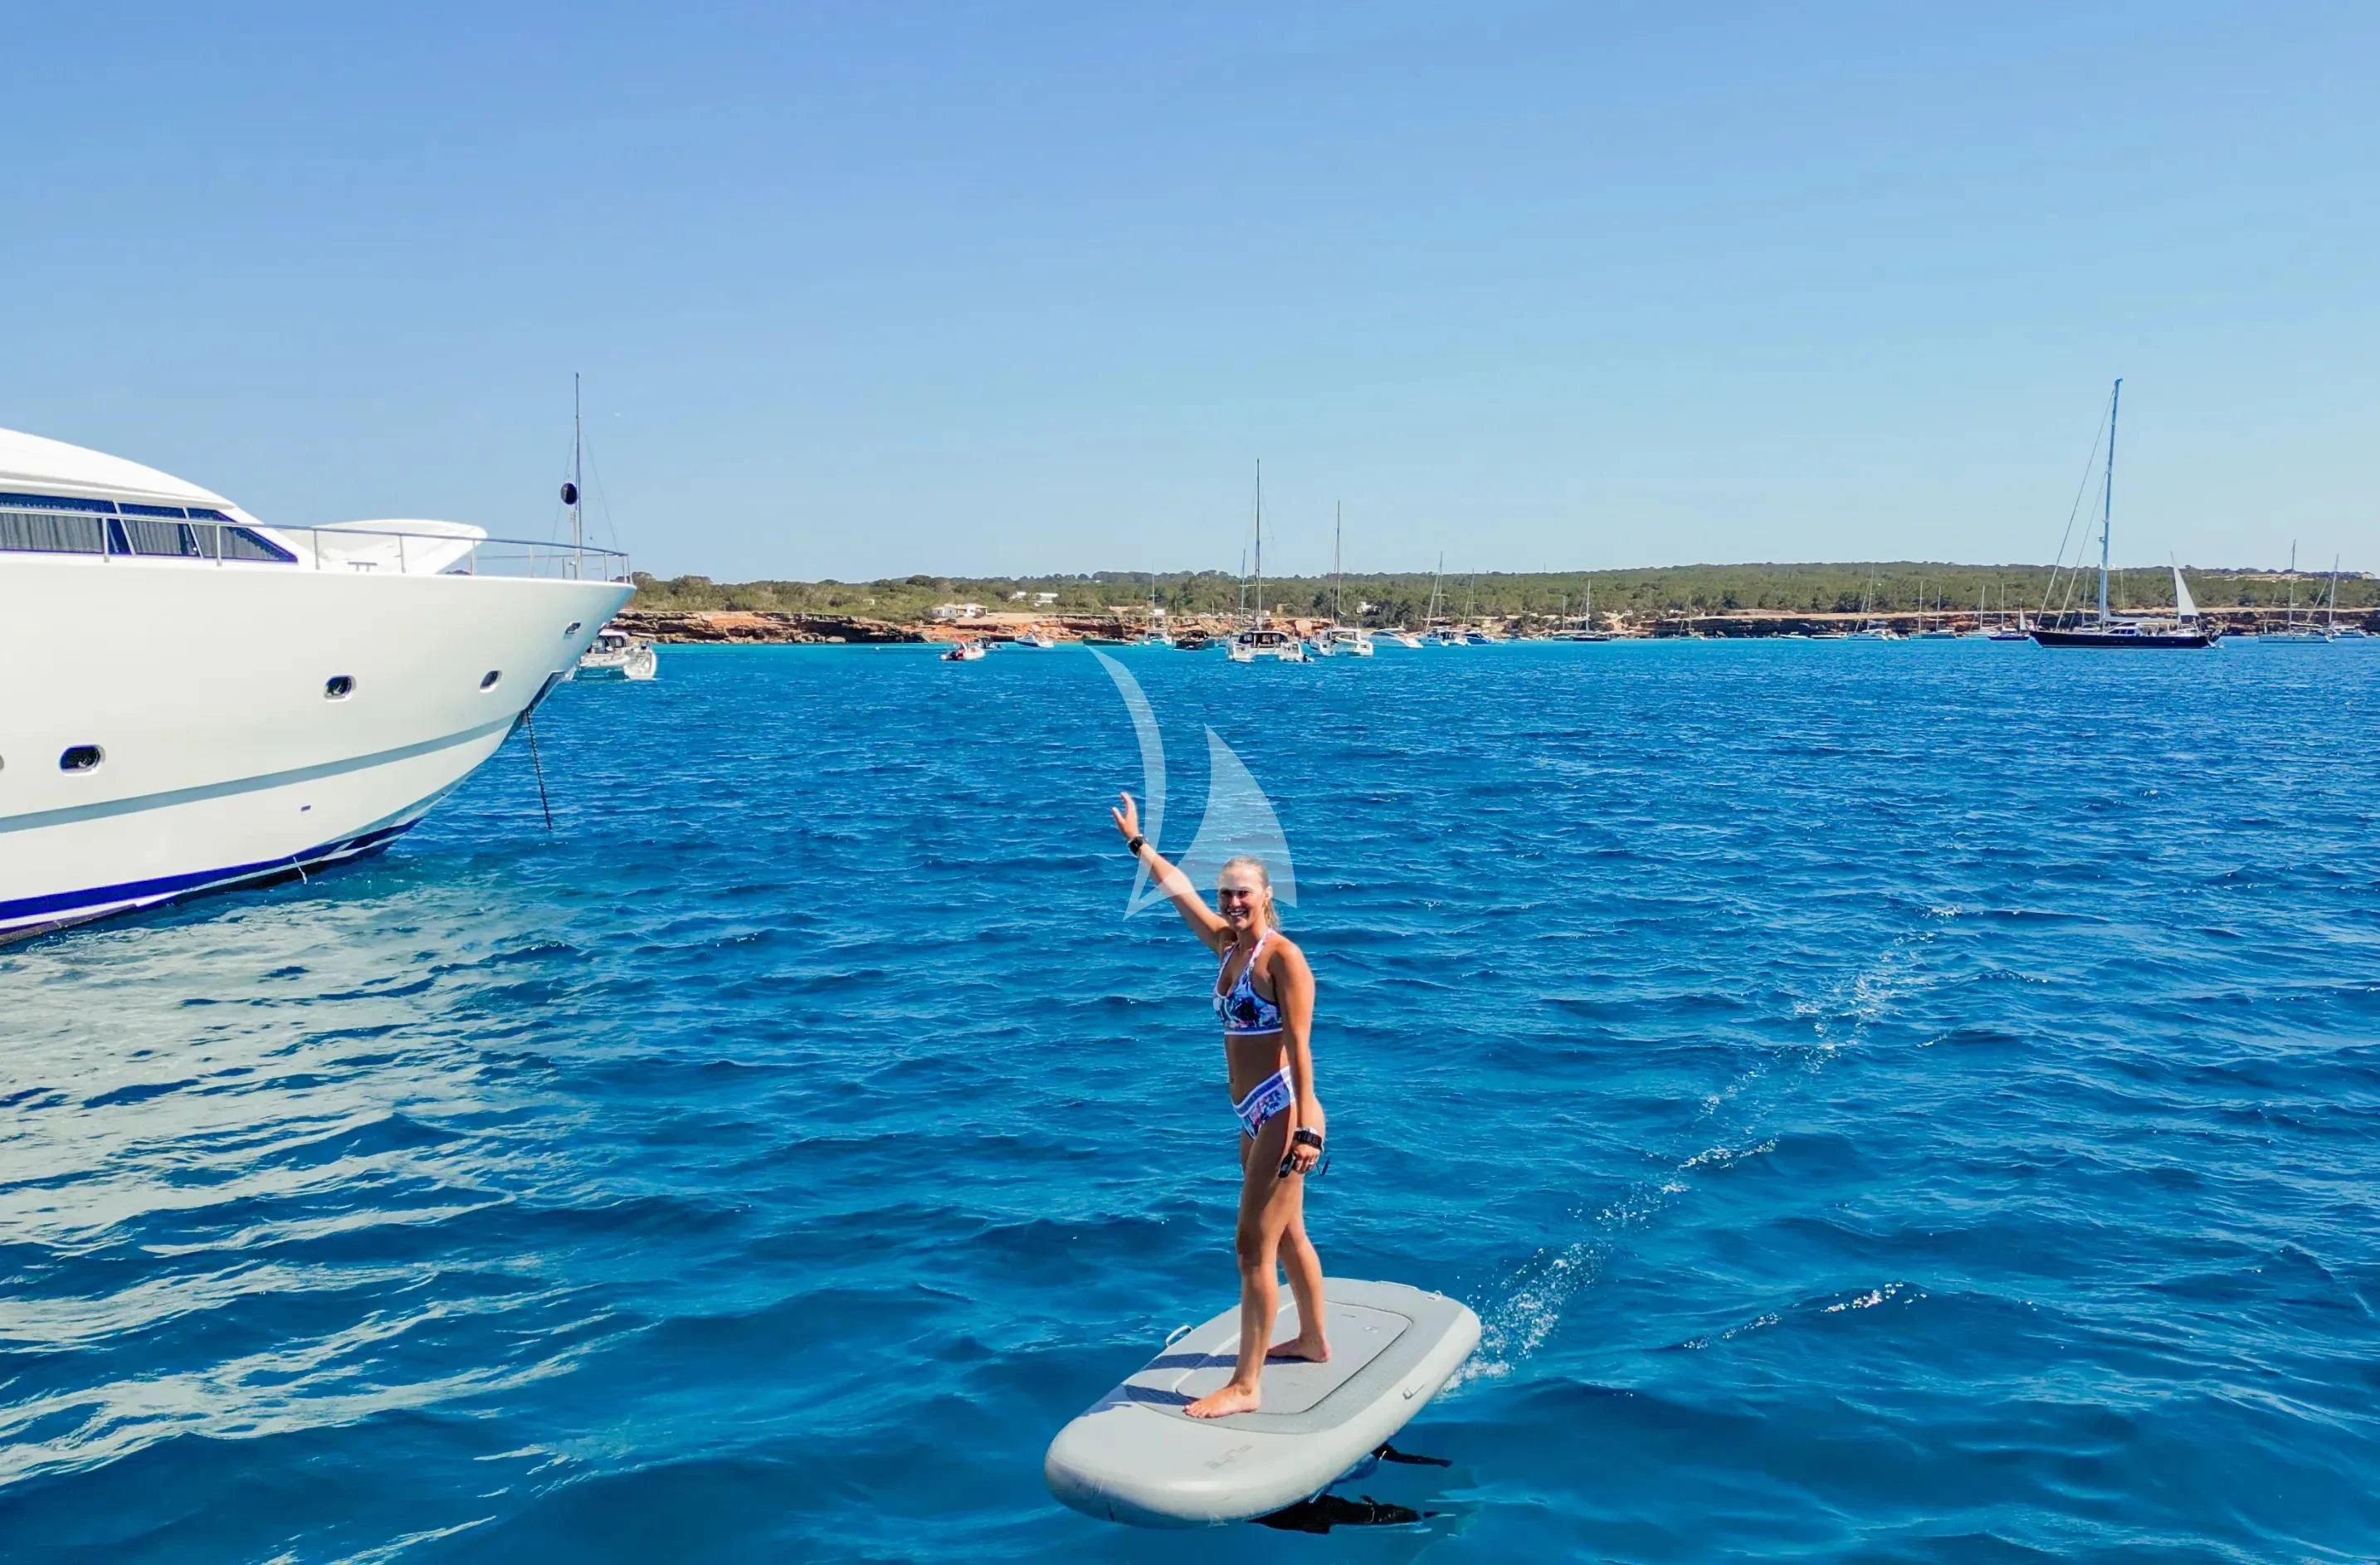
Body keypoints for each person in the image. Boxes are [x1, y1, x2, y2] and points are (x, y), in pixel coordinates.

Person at [1110, 792, 1328, 1418]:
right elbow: (1178, 889)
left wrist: (1308, 1130)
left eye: (1243, 893)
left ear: (1267, 896)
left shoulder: (1283, 959)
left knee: (1250, 1247)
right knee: (1287, 1234)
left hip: (1283, 1109)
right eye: (1226, 893)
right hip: (1251, 1114)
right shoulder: (1228, 947)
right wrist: (1138, 843)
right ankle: (1313, 1340)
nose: (1233, 902)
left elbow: (1301, 1049)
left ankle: (1247, 1385)